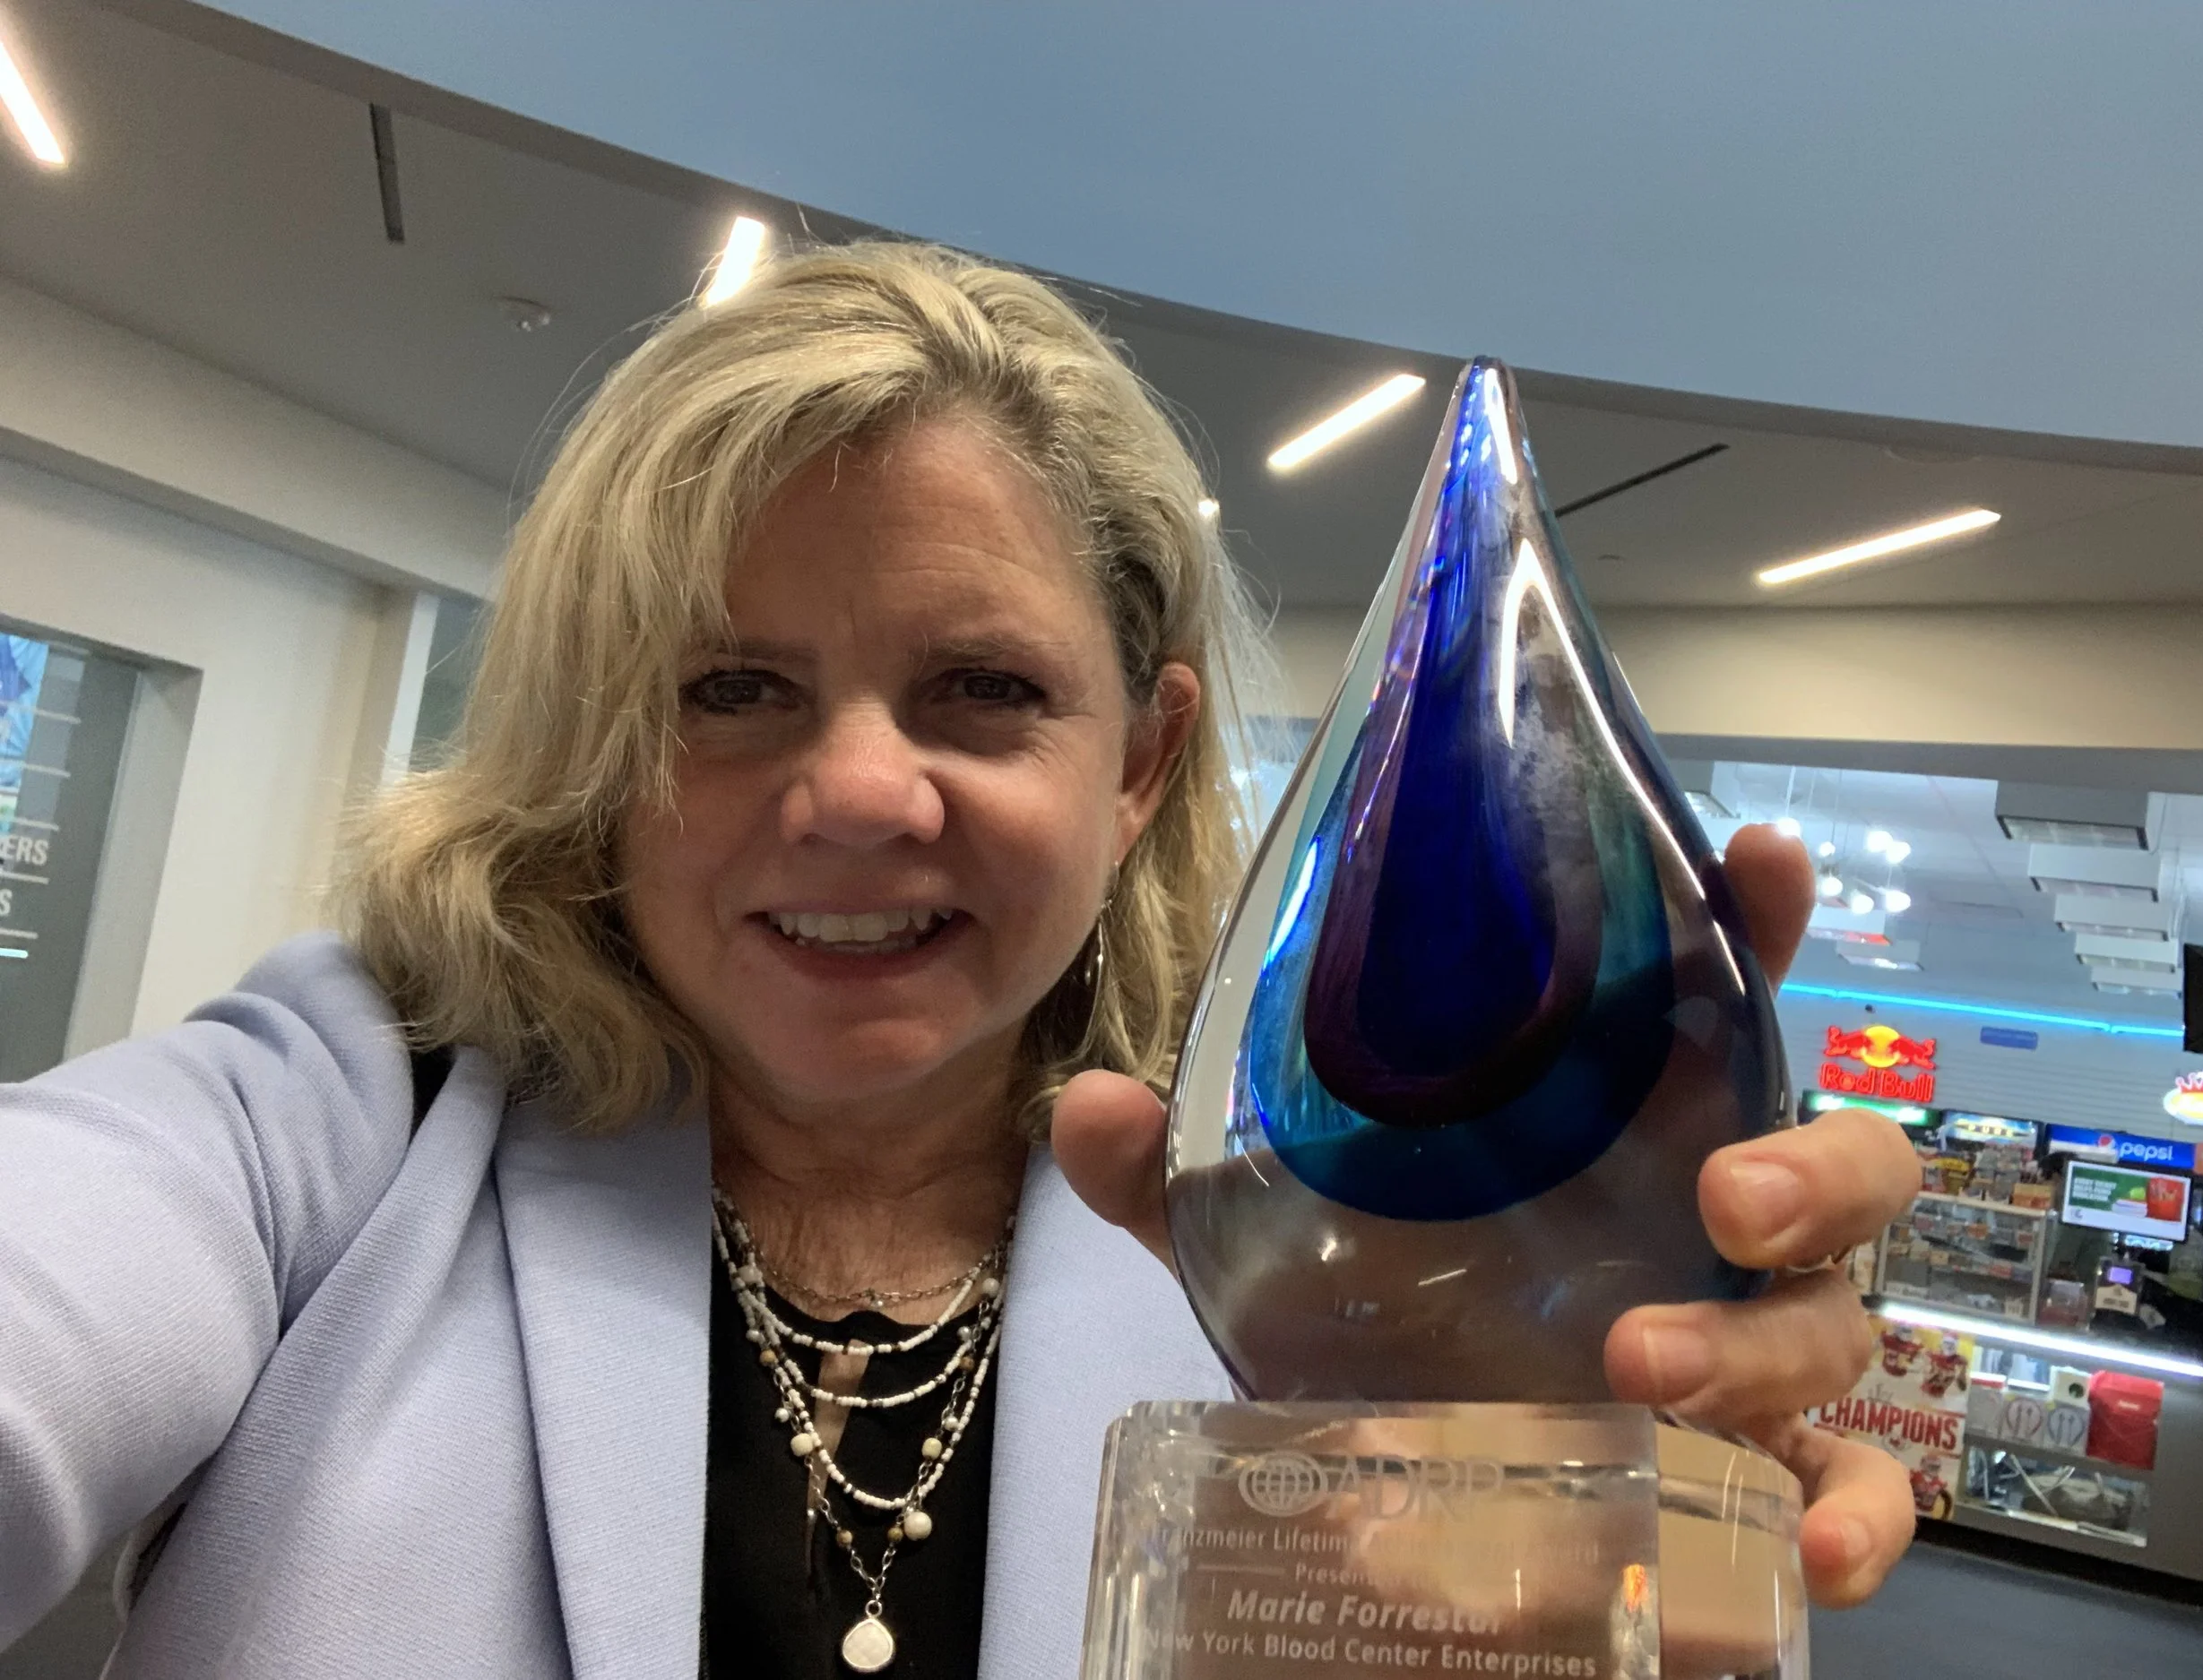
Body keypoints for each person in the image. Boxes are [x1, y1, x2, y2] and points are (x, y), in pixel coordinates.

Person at [0, 243, 1920, 1680]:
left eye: (982, 690)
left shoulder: (1292, 1255)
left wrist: (1584, 1472)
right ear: (605, 737)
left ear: (1141, 761)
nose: (854, 793)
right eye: (730, 687)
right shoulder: (328, 1120)